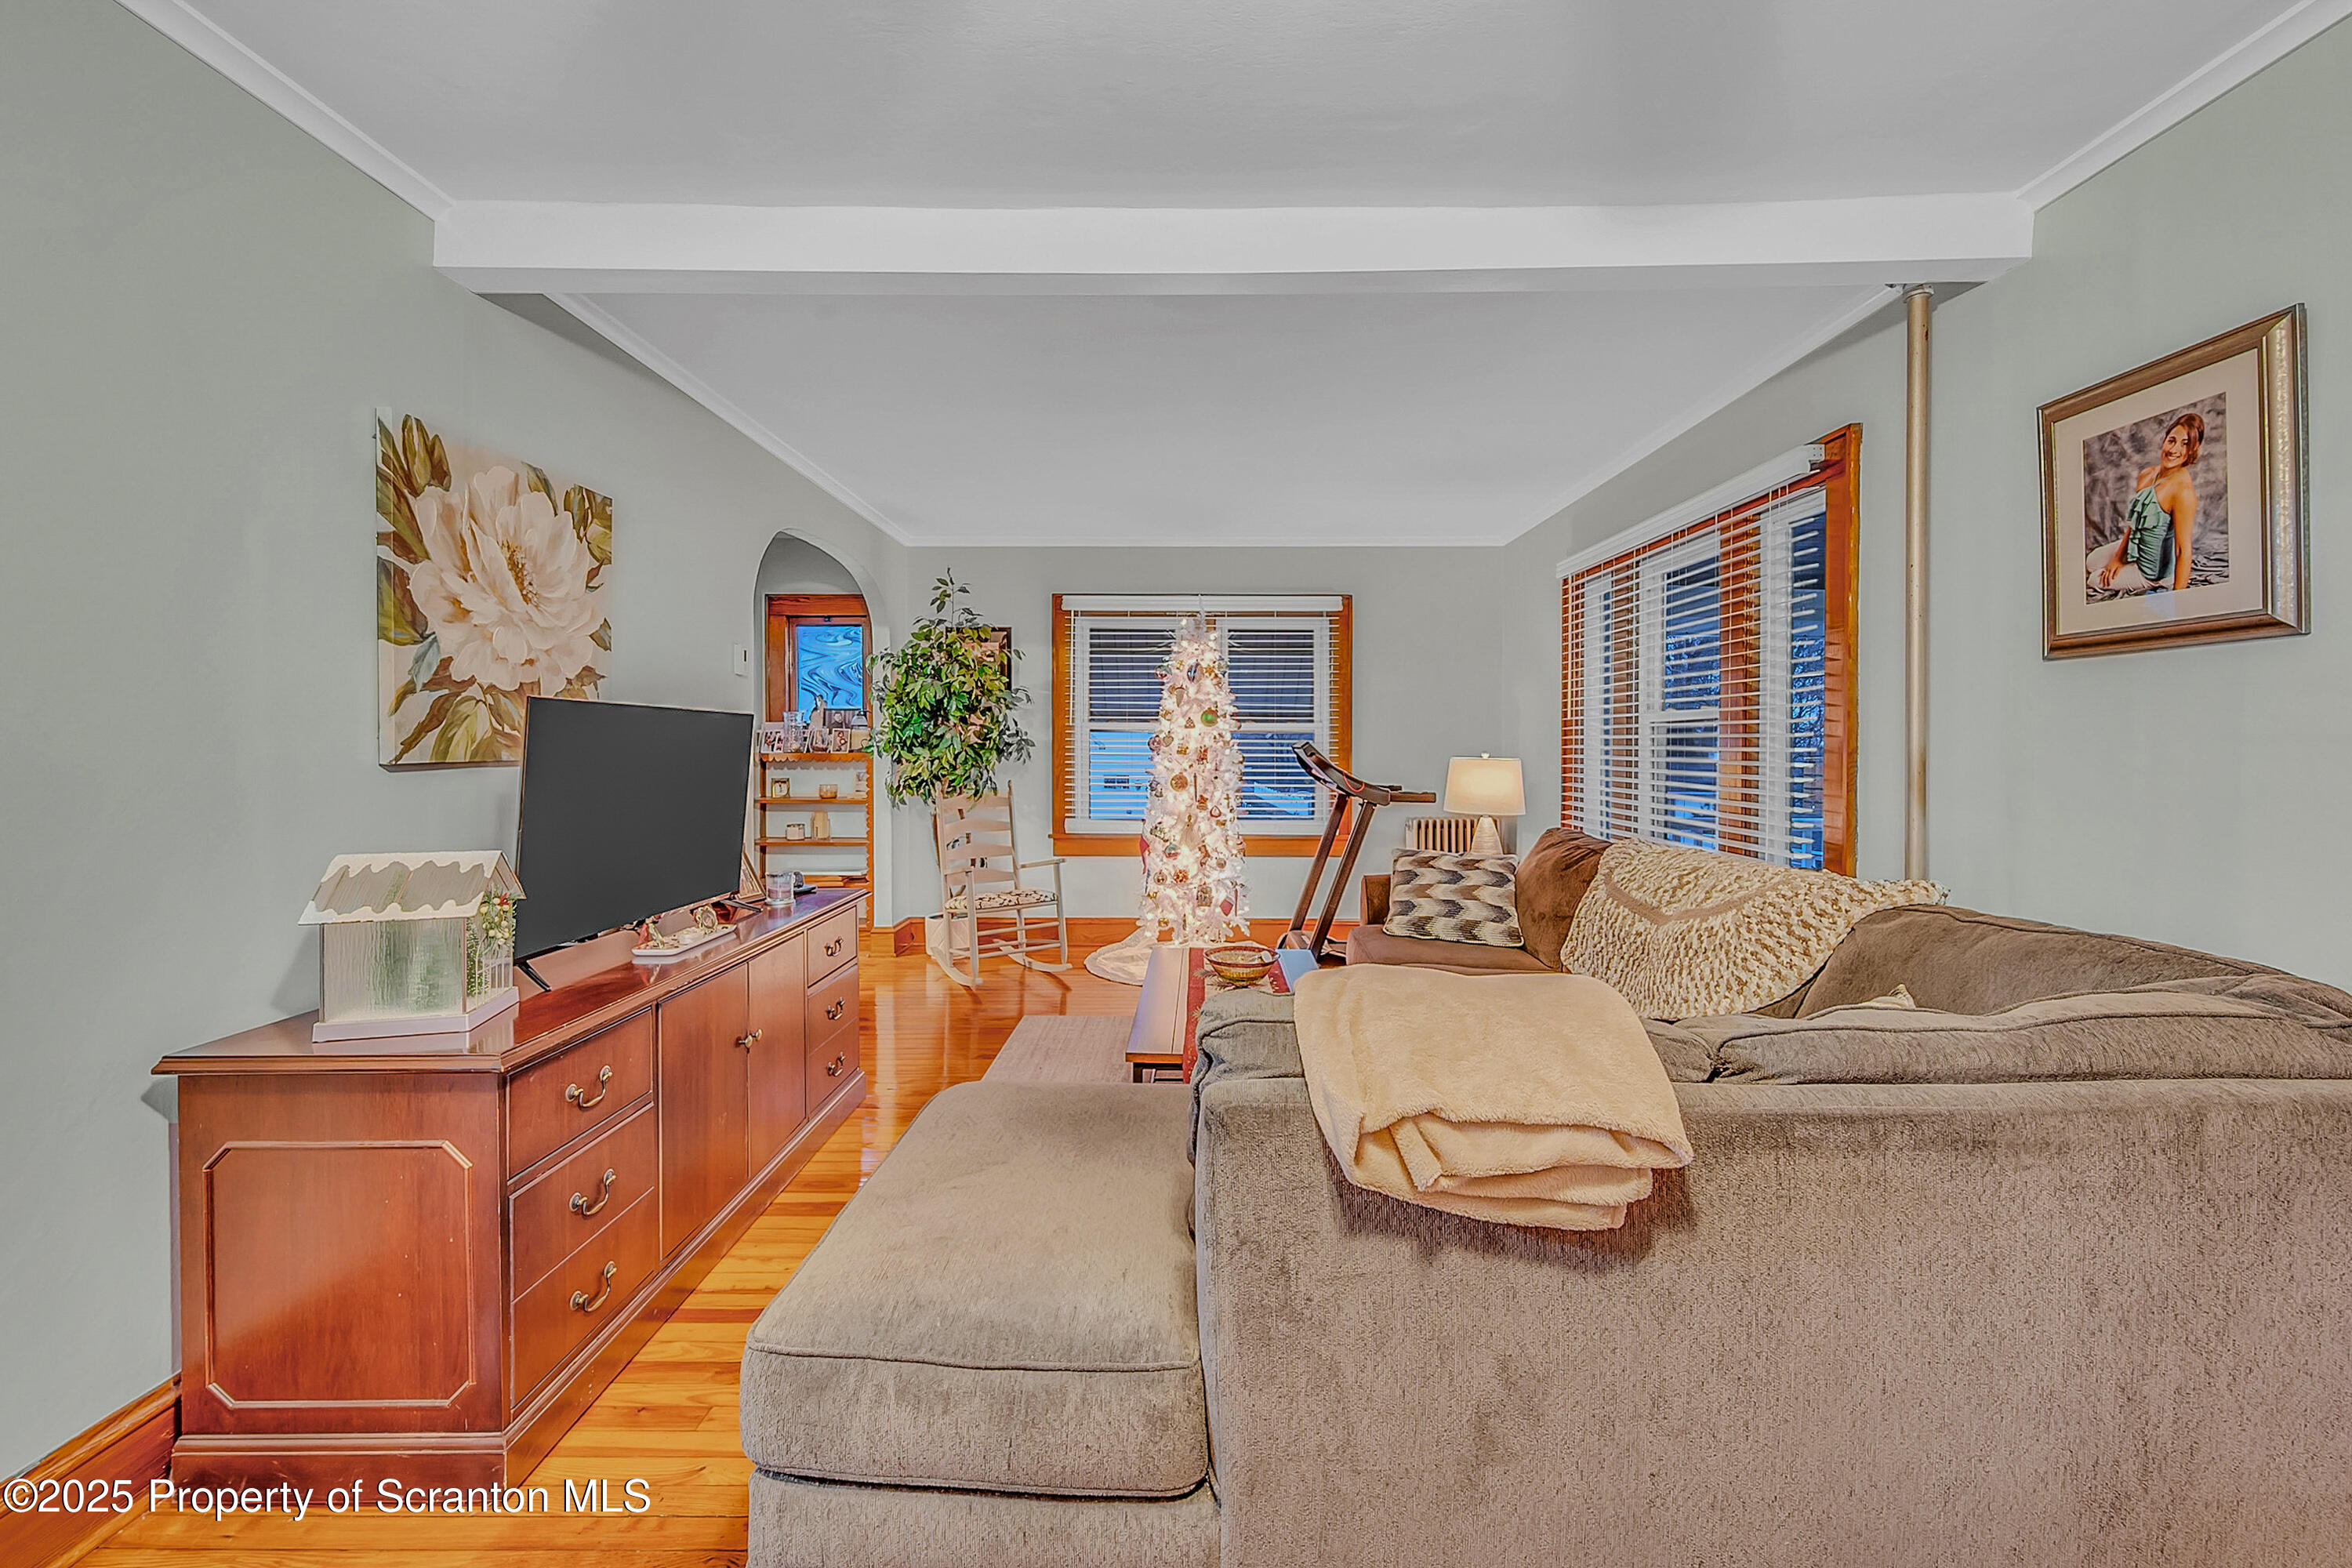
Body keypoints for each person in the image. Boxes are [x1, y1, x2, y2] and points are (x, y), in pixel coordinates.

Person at [2086, 413, 2201, 595]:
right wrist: (2118, 558)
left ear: (2192, 450)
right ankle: (2126, 562)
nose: (2175, 449)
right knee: (2091, 562)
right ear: (2164, 440)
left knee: (2094, 579)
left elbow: (2183, 550)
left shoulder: (2183, 491)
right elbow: (2136, 523)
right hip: (2137, 548)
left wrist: (2180, 600)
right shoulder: (2147, 475)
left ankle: (2156, 580)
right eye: (2172, 440)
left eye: (2185, 444)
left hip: (2152, 572)